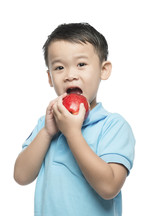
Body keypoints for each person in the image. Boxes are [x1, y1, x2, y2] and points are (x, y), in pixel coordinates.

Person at [14, 23, 135, 216]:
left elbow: (109, 187)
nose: (70, 75)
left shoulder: (113, 126)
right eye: (60, 67)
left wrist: (72, 133)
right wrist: (46, 132)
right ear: (50, 77)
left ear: (104, 70)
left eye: (81, 64)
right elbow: (21, 176)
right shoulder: (47, 124)